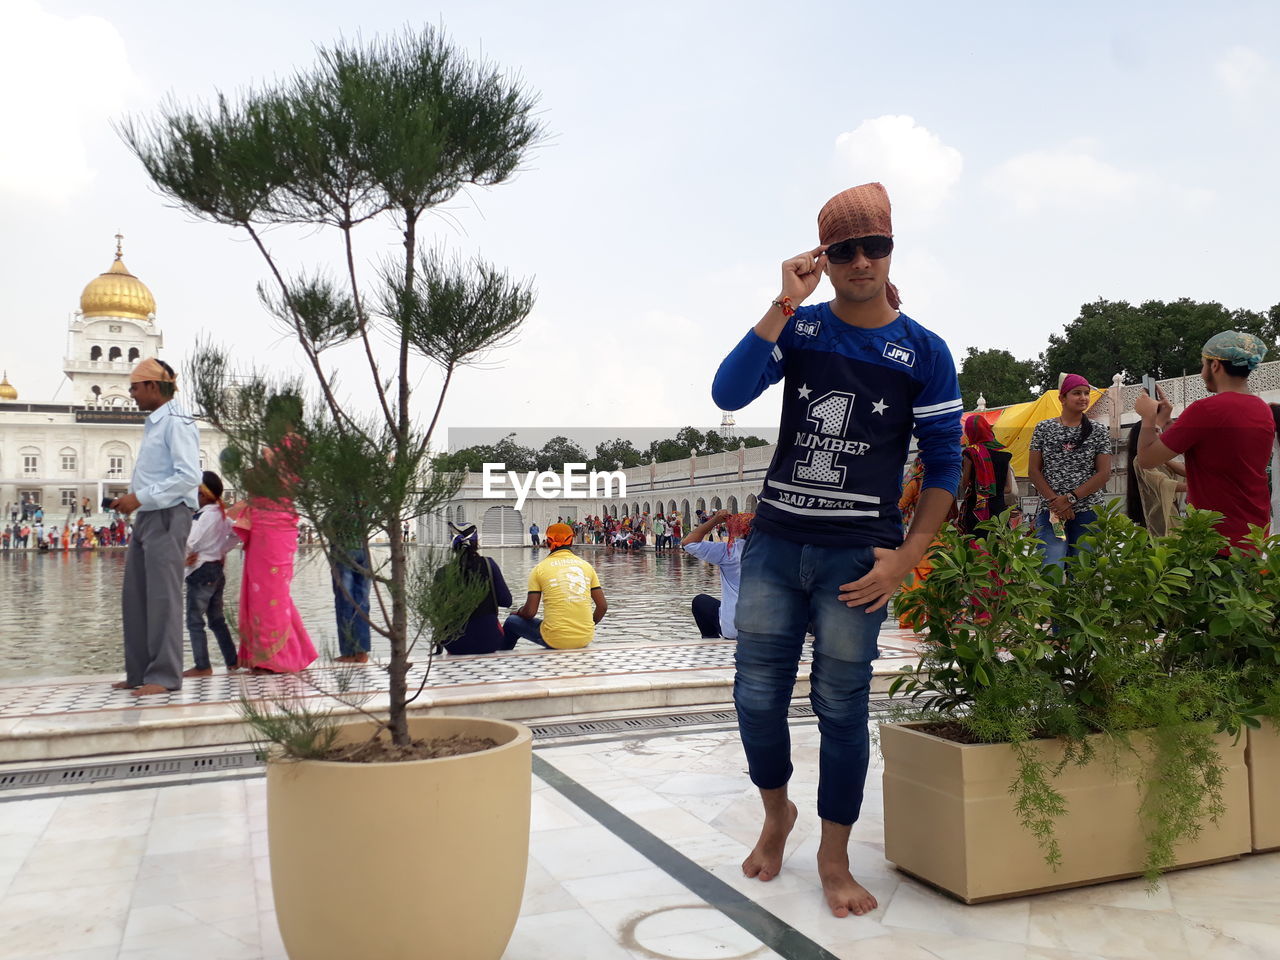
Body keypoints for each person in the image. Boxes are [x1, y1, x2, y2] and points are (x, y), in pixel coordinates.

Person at [711, 182, 962, 918]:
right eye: (843, 249)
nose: (860, 261)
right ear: (824, 256)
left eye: (873, 245)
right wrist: (782, 301)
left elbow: (944, 463)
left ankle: (832, 854)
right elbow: (728, 393)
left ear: (890, 248)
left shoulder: (923, 351)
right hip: (778, 543)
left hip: (858, 557)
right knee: (755, 693)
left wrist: (908, 557)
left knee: (841, 706)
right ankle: (776, 812)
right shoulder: (804, 329)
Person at [109, 358, 201, 696]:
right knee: (136, 597)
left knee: (163, 597)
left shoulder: (177, 421)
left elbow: (189, 476)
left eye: (134, 387)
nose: (131, 394)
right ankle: (139, 673)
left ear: (151, 386)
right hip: (149, 514)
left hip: (169, 514)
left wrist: (140, 496)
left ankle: (164, 676)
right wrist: (135, 501)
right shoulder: (155, 423)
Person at [1136, 331, 1275, 550]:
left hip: (1214, 541)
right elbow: (1214, 464)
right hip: (1253, 537)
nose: (1201, 373)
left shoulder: (1206, 410)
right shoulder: (1262, 410)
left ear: (1216, 366)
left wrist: (1147, 417)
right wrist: (1167, 423)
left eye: (1203, 365)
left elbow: (1146, 459)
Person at [230, 393, 317, 673]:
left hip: (275, 524)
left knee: (271, 594)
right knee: (266, 591)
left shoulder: (292, 445)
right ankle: (286, 653)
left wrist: (254, 471)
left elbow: (269, 480)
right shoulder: (284, 446)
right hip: (268, 522)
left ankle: (275, 658)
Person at [1027, 374, 1111, 568]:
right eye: (1077, 393)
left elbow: (1103, 473)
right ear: (1062, 398)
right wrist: (1056, 504)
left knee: (1082, 572)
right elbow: (1033, 470)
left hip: (1088, 511)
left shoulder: (1098, 430)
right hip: (1052, 514)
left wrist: (1070, 499)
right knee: (1051, 568)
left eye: (1086, 393)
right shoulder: (1044, 428)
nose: (1083, 397)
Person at [503, 523, 607, 649]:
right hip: (585, 637)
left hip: (556, 640)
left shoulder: (539, 569)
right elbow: (602, 607)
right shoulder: (586, 566)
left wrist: (518, 612)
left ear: (547, 543)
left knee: (511, 621)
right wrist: (587, 625)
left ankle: (502, 657)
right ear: (572, 541)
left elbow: (530, 612)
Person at [182, 471, 240, 677]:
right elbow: (236, 534)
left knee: (194, 620)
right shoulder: (222, 514)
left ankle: (202, 665)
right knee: (216, 619)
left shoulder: (204, 515)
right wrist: (221, 550)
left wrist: (183, 556)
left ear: (204, 495)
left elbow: (190, 540)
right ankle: (232, 661)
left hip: (201, 570)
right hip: (216, 568)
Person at [441, 522, 513, 655]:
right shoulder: (489, 564)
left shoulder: (443, 572)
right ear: (476, 544)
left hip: (454, 644)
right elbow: (507, 601)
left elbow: (436, 611)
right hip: (489, 641)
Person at [683, 508, 752, 639]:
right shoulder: (774, 552)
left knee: (701, 602)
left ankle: (710, 640)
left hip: (735, 629)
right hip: (768, 629)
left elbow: (688, 543)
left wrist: (714, 520)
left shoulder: (730, 551)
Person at [957, 416, 1017, 537]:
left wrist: (983, 491)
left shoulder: (971, 453)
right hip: (999, 511)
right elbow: (1009, 489)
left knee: (977, 549)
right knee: (998, 547)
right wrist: (995, 491)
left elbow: (964, 485)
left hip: (976, 510)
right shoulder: (1004, 453)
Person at [1124, 423, 1185, 536]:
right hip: (1155, 517)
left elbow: (1185, 472)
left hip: (1169, 513)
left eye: (1160, 430)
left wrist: (1163, 457)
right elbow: (1163, 484)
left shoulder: (1159, 459)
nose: (1160, 434)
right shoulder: (1140, 460)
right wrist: (1192, 487)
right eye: (1155, 431)